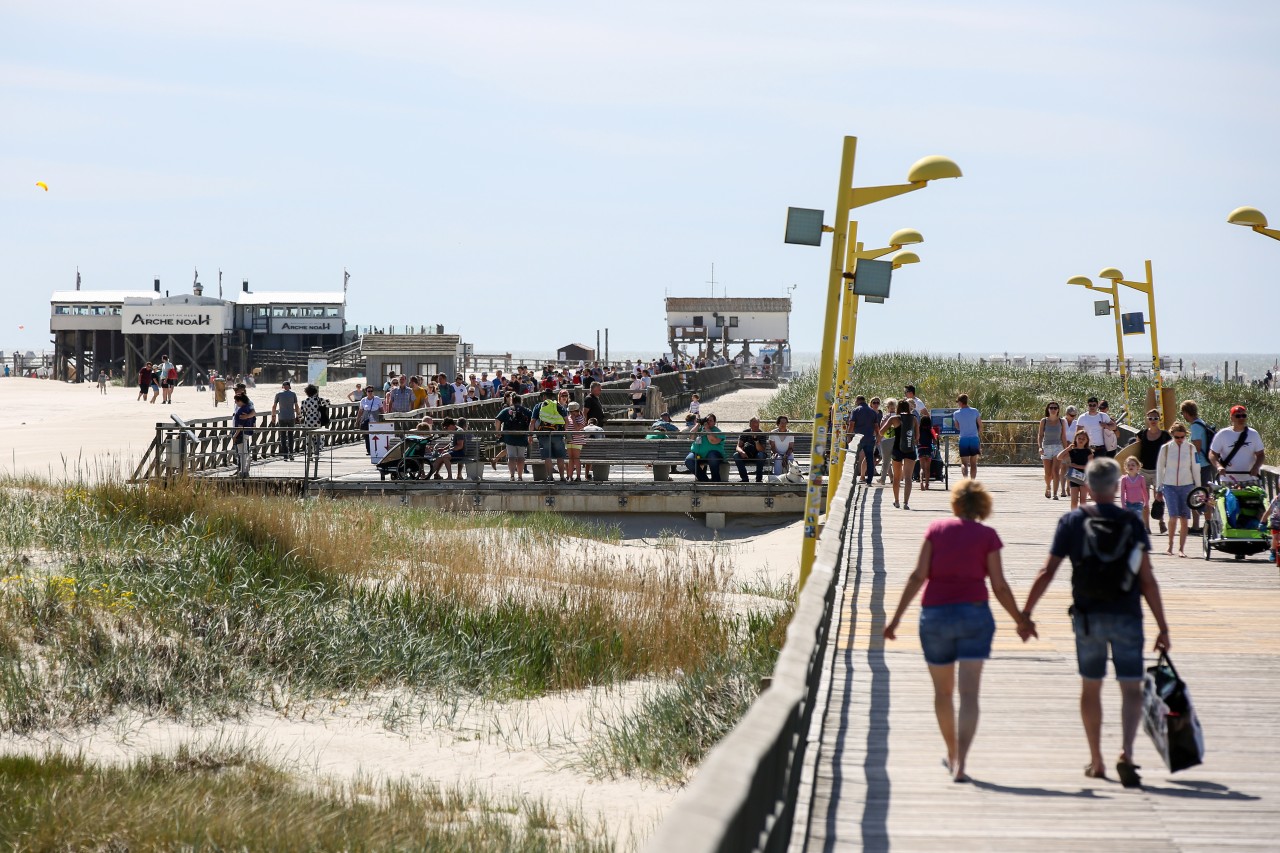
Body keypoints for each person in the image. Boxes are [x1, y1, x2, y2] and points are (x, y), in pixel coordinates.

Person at [1020, 457, 1171, 787]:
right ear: (1117, 485)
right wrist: (1163, 626)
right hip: (1127, 614)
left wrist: (1026, 614)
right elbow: (1147, 579)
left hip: (1088, 615)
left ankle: (1097, 760)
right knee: (1130, 687)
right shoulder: (1131, 523)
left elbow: (1047, 571)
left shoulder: (1073, 520)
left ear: (1087, 485)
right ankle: (1127, 754)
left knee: (1092, 686)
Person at [883, 478, 1032, 783]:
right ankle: (962, 761)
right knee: (969, 694)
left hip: (935, 616)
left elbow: (917, 576)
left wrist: (895, 619)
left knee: (943, 692)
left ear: (955, 503)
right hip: (975, 615)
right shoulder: (988, 536)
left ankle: (951, 753)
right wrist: (1020, 619)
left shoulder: (936, 530)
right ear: (983, 506)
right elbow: (1000, 586)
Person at [1154, 422, 1200, 557]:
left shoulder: (1191, 448)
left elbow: (1196, 469)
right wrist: (1159, 488)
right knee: (1173, 516)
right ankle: (1170, 546)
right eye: (1177, 437)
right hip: (1169, 485)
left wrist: (1197, 488)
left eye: (1182, 437)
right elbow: (1160, 468)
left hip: (1187, 485)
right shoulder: (1166, 448)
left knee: (1185, 518)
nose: (1180, 440)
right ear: (1172, 435)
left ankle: (1181, 549)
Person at [1134, 409, 1171, 534]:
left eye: (1155, 418)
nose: (1153, 421)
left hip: (1158, 471)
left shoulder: (1165, 435)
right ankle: (1146, 527)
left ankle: (1161, 522)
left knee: (1158, 498)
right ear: (1147, 419)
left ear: (1159, 419)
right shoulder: (1142, 434)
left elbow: (1171, 452)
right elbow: (1135, 450)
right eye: (1150, 418)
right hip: (1143, 470)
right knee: (1144, 500)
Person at [1209, 404, 1266, 484]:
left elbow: (1261, 454)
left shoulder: (1253, 434)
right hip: (1228, 479)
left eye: (1244, 415)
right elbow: (1212, 453)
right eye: (1238, 416)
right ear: (1231, 418)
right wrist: (1219, 466)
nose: (1241, 418)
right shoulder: (1223, 434)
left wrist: (1256, 467)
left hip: (1250, 478)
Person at [1181, 399, 1212, 534]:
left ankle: (1204, 525)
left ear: (1187, 413)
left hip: (1200, 466)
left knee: (1199, 495)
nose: (1183, 416)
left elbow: (1196, 448)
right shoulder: (1202, 423)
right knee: (1203, 494)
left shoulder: (1195, 426)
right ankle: (1204, 525)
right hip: (1205, 465)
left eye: (1183, 413)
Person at [883, 400, 918, 510]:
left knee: (897, 477)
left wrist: (890, 431)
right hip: (910, 449)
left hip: (897, 450)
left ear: (898, 408)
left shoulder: (894, 419)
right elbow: (917, 437)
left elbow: (881, 432)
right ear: (908, 408)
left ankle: (897, 501)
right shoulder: (914, 419)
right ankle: (906, 503)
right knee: (908, 477)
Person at [494, 391, 533, 482]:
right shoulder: (526, 410)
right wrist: (530, 435)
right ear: (521, 401)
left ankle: (512, 476)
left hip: (509, 436)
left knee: (511, 457)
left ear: (512, 400)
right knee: (521, 457)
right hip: (522, 436)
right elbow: (533, 422)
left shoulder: (507, 410)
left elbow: (497, 420)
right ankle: (520, 476)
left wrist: (498, 432)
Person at [533, 388, 569, 483]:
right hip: (557, 434)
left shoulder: (538, 406)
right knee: (560, 456)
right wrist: (564, 432)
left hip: (543, 434)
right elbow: (567, 421)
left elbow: (532, 422)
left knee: (547, 457)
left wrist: (530, 435)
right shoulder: (558, 406)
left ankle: (550, 477)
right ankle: (562, 477)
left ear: (544, 396)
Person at [847, 395, 881, 485]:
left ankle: (853, 479)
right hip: (870, 438)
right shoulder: (872, 411)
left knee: (853, 459)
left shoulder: (856, 410)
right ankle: (869, 480)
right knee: (869, 459)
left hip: (858, 438)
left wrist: (849, 436)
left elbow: (851, 424)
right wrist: (878, 436)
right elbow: (876, 426)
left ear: (857, 401)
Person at [1057, 430, 1094, 510]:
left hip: (1084, 477)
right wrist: (1067, 448)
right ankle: (1074, 516)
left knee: (1083, 501)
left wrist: (1077, 466)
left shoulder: (1088, 451)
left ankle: (1083, 517)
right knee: (1074, 501)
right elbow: (1059, 457)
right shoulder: (1072, 451)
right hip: (1074, 477)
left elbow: (1090, 466)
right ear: (1076, 439)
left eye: (1083, 439)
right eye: (1079, 438)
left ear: (1087, 440)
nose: (1081, 440)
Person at [1038, 402, 1067, 500]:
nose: (1053, 409)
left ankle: (1055, 493)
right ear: (1048, 409)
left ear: (1058, 410)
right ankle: (1048, 486)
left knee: (1056, 471)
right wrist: (1040, 447)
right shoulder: (1044, 421)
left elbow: (1063, 436)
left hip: (1058, 447)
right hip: (1046, 446)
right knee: (1048, 473)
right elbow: (1040, 435)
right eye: (1051, 408)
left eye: (1055, 408)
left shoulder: (1061, 421)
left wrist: (1066, 449)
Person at [685, 414, 725, 482]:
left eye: (711, 420)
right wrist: (698, 424)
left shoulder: (717, 431)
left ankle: (716, 480)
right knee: (689, 460)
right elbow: (691, 437)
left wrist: (707, 429)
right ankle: (704, 479)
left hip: (714, 456)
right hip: (698, 455)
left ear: (715, 422)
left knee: (712, 455)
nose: (708, 422)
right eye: (707, 420)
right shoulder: (699, 429)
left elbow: (712, 441)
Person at [298, 383, 324, 478]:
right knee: (317, 436)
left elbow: (300, 413)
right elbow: (328, 403)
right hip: (316, 420)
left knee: (309, 437)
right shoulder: (318, 400)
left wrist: (300, 419)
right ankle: (317, 453)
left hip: (308, 421)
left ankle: (310, 453)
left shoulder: (304, 401)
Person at [953, 394, 982, 480]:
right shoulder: (975, 411)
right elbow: (980, 425)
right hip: (974, 438)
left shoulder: (956, 413)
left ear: (961, 402)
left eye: (958, 402)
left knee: (964, 463)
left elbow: (957, 426)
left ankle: (965, 481)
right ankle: (972, 482)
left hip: (963, 438)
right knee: (973, 463)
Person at [271, 380, 299, 461]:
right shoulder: (293, 394)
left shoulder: (278, 394)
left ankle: (285, 455)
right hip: (291, 417)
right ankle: (291, 454)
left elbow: (274, 406)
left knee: (283, 436)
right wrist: (298, 416)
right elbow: (296, 406)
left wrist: (273, 416)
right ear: (289, 386)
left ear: (282, 386)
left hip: (282, 417)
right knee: (291, 436)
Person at [733, 417, 768, 483]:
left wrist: (756, 440)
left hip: (758, 453)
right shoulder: (745, 432)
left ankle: (758, 479)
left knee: (760, 455)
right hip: (747, 453)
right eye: (754, 424)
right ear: (750, 425)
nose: (755, 426)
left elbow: (761, 449)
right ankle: (744, 479)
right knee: (736, 455)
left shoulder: (762, 434)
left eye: (757, 424)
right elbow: (738, 446)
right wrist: (742, 452)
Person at [231, 392, 256, 478]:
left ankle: (243, 471)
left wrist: (235, 435)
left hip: (241, 433)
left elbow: (240, 426)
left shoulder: (241, 410)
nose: (235, 403)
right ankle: (245, 467)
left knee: (241, 452)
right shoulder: (249, 408)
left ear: (240, 401)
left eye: (236, 401)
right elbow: (254, 417)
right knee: (244, 451)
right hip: (247, 432)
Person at [876, 398, 898, 486]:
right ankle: (895, 479)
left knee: (886, 461)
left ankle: (883, 478)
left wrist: (878, 439)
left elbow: (882, 428)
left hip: (886, 440)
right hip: (896, 440)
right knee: (896, 460)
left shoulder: (886, 416)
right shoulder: (898, 416)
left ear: (887, 407)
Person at [1059, 405, 1080, 496]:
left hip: (1073, 447)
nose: (1073, 417)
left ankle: (1068, 487)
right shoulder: (1061, 421)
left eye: (1075, 415)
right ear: (1066, 414)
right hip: (1062, 446)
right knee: (1063, 467)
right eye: (1071, 415)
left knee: (1071, 467)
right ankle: (1063, 489)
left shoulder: (1076, 423)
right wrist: (1065, 444)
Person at [358, 385, 382, 454]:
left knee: (375, 435)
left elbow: (381, 409)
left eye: (371, 391)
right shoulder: (363, 400)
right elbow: (360, 411)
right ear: (366, 392)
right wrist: (357, 420)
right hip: (366, 421)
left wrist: (384, 418)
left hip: (375, 421)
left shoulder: (377, 399)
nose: (370, 392)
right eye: (369, 391)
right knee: (367, 436)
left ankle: (376, 449)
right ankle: (368, 450)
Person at [566, 401, 587, 481]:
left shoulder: (581, 418)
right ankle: (570, 476)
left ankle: (578, 476)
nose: (571, 413)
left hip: (577, 440)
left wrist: (574, 419)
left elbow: (578, 428)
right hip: (569, 440)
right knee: (570, 458)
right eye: (570, 411)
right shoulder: (568, 417)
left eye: (572, 411)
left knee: (576, 458)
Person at [916, 411, 936, 491]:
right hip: (928, 449)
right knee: (928, 469)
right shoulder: (931, 430)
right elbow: (934, 440)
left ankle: (921, 482)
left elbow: (916, 440)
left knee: (922, 468)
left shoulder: (919, 429)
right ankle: (927, 484)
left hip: (921, 449)